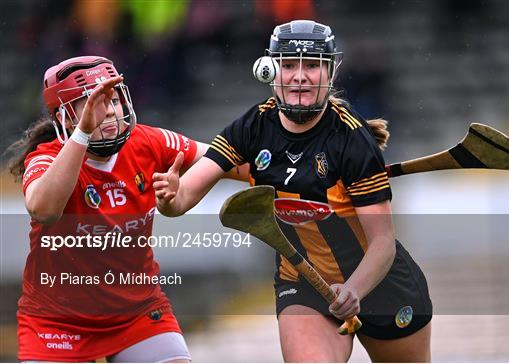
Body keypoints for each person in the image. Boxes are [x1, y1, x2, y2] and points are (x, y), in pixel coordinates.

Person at [153, 20, 432, 362]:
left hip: (379, 284)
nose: (300, 75)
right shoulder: (252, 127)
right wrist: (169, 197)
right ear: (272, 71)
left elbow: (383, 243)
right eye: (288, 64)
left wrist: (353, 290)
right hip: (302, 282)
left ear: (329, 72)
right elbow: (183, 199)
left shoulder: (352, 140)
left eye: (312, 65)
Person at [7, 56, 238, 362]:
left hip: (137, 315)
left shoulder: (150, 142)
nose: (108, 112)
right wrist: (83, 134)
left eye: (113, 100)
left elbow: (228, 160)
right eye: (92, 103)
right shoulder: (47, 157)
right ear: (64, 118)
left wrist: (286, 172)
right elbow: (43, 209)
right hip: (56, 321)